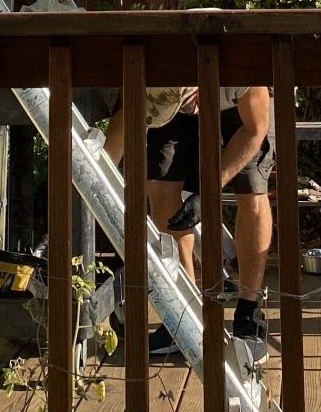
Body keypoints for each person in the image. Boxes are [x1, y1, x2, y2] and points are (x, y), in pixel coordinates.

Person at [105, 84, 274, 364]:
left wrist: (209, 191)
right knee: (160, 184)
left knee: (252, 189)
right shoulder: (148, 78)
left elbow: (255, 130)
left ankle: (249, 311)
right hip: (171, 96)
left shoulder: (241, 73)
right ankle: (185, 310)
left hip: (242, 109)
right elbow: (109, 153)